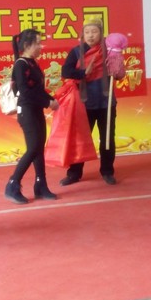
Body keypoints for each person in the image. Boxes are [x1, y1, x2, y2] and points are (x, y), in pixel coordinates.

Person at [59, 16, 123, 186]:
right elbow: (65, 71)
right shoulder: (76, 52)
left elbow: (119, 75)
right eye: (87, 32)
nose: (90, 35)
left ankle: (107, 171)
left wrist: (117, 67)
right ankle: (74, 173)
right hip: (84, 103)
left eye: (94, 31)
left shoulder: (110, 51)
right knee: (80, 140)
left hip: (106, 103)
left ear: (101, 33)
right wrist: (83, 73)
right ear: (82, 34)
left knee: (107, 138)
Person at [4, 29, 60, 204]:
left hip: (36, 110)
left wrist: (51, 99)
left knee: (38, 148)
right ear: (27, 45)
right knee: (33, 148)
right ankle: (12, 184)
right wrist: (47, 102)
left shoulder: (32, 63)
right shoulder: (21, 64)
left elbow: (37, 89)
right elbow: (25, 92)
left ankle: (40, 185)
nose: (41, 46)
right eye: (38, 43)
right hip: (27, 111)